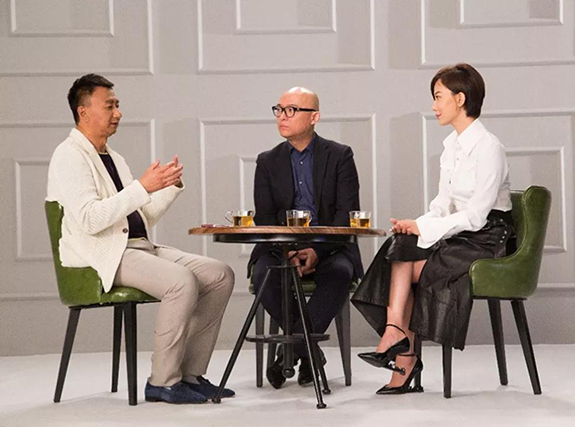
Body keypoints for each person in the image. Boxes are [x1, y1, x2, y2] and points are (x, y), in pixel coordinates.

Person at [47, 74, 235, 404]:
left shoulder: (113, 158)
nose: (118, 113)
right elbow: (91, 220)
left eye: (117, 105)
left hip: (137, 247)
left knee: (219, 274)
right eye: (109, 106)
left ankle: (190, 375)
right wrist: (142, 187)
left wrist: (166, 187)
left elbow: (139, 217)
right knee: (180, 281)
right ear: (83, 111)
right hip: (104, 255)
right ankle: (162, 382)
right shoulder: (69, 156)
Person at [352, 63, 514, 395]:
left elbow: (477, 216)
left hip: (488, 238)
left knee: (407, 262)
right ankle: (395, 333)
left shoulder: (489, 148)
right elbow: (442, 203)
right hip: (460, 233)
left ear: (460, 98)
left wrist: (427, 228)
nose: (434, 105)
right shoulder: (451, 145)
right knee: (401, 243)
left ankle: (402, 352)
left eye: (439, 97)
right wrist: (417, 224)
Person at [249, 87, 363, 388]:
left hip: (330, 248)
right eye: (279, 109)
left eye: (291, 110)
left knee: (340, 272)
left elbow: (346, 214)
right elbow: (264, 218)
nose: (282, 117)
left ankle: (291, 350)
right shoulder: (267, 161)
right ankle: (310, 352)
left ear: (314, 117)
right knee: (263, 273)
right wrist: (287, 251)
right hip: (280, 249)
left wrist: (317, 251)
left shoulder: (339, 156)